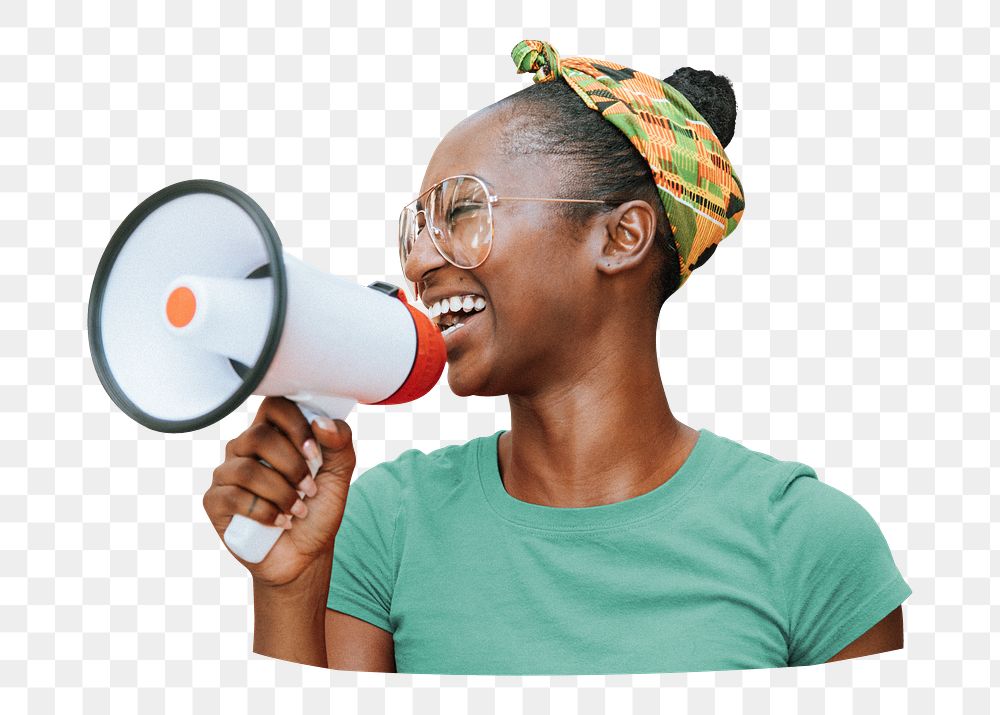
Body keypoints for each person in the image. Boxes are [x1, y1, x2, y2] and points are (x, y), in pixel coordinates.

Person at [202, 40, 912, 675]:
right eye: (413, 229)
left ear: (621, 237)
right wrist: (289, 587)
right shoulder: (386, 522)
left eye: (461, 211)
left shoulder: (811, 543)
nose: (419, 261)